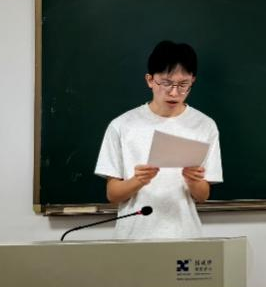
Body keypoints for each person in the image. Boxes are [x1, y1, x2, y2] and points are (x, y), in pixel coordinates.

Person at [95, 40, 222, 239]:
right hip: (133, 238)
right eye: (166, 83)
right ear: (150, 80)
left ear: (192, 80)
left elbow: (202, 196)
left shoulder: (204, 125)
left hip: (185, 236)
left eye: (183, 84)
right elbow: (112, 194)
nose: (174, 92)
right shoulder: (122, 125)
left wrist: (192, 181)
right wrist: (138, 180)